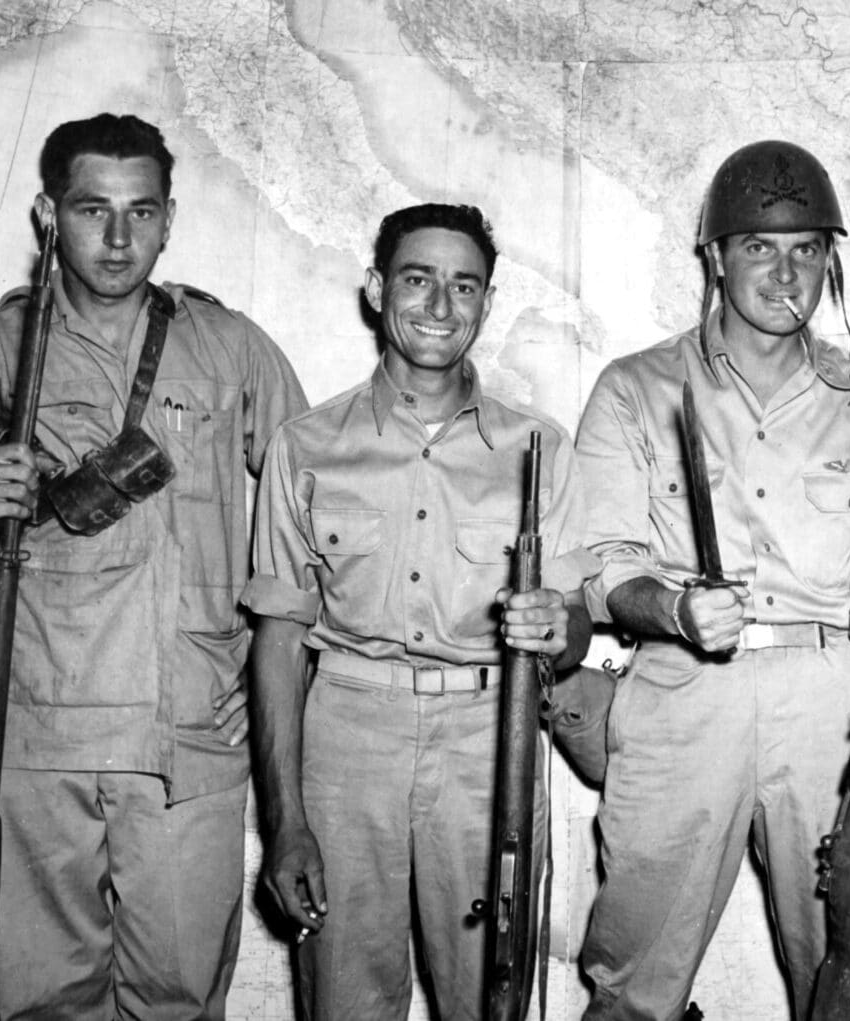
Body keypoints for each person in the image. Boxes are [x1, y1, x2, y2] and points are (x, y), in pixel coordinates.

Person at [0, 113, 307, 1018]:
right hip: (40, 738)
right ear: (49, 216)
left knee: (176, 999)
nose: (120, 238)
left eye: (141, 212)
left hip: (190, 738)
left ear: (170, 218)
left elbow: (313, 503)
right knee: (43, 1000)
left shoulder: (230, 347)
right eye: (94, 210)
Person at [574, 139, 850, 1021]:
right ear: (715, 258)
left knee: (845, 961)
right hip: (682, 693)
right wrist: (670, 608)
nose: (787, 273)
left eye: (808, 249)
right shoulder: (638, 388)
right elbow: (595, 565)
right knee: (632, 978)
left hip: (828, 704)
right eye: (760, 248)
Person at [244, 202, 597, 1020]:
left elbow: (575, 625)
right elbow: (277, 644)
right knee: (343, 997)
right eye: (418, 279)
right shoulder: (306, 445)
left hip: (489, 740)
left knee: (492, 994)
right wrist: (285, 821)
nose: (440, 306)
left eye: (463, 286)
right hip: (345, 737)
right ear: (376, 290)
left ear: (485, 302)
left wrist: (556, 630)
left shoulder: (540, 449)